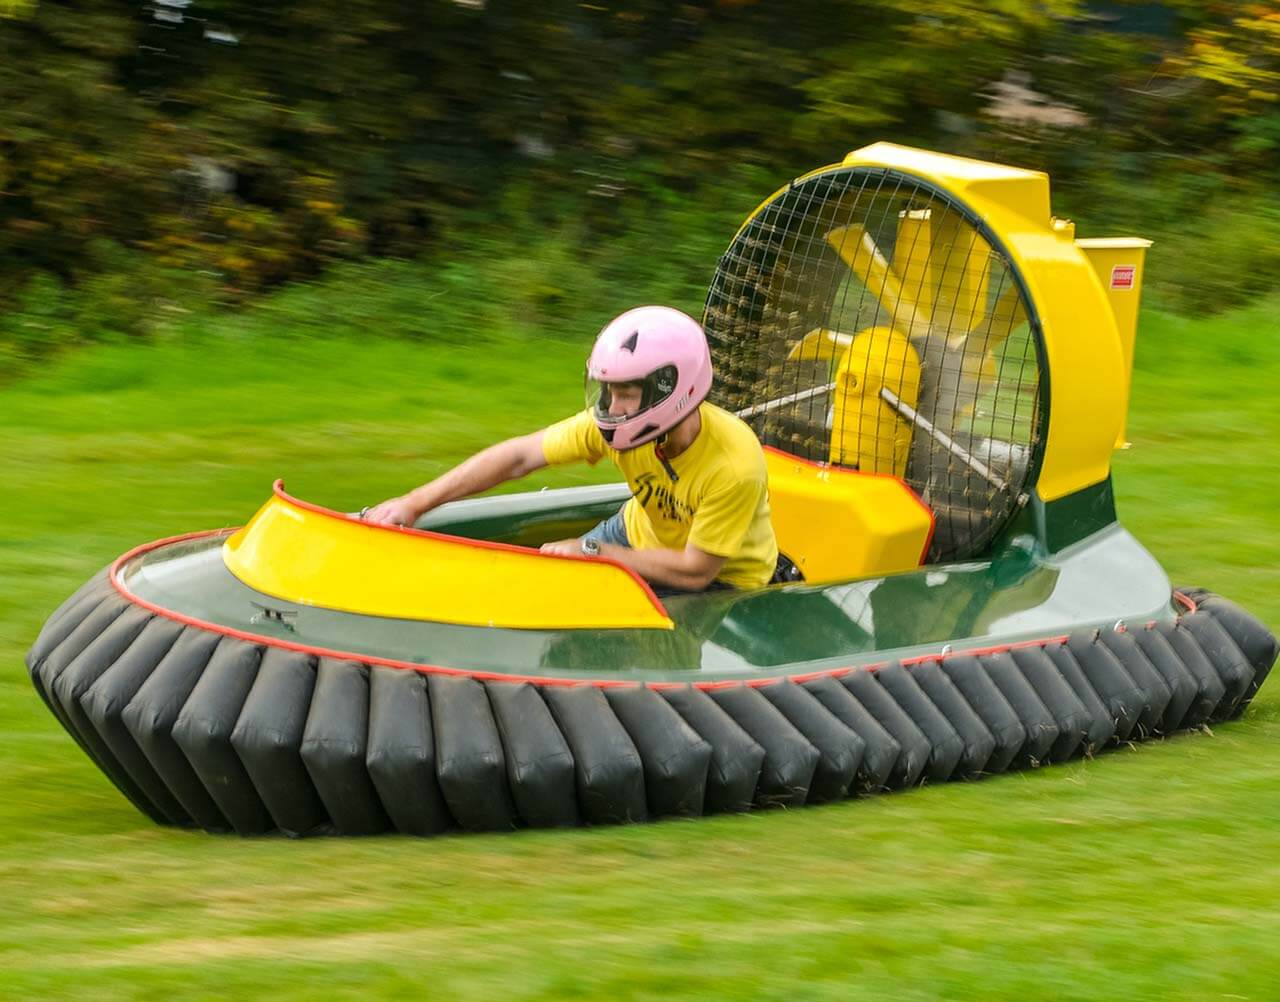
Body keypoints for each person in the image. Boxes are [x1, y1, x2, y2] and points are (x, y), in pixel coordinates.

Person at [362, 306, 778, 594]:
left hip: (726, 584)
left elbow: (695, 572)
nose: (612, 409)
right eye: (609, 393)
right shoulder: (621, 426)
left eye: (627, 394)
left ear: (669, 389)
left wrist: (593, 551)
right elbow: (520, 457)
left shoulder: (733, 466)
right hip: (634, 532)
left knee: (607, 632)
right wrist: (413, 503)